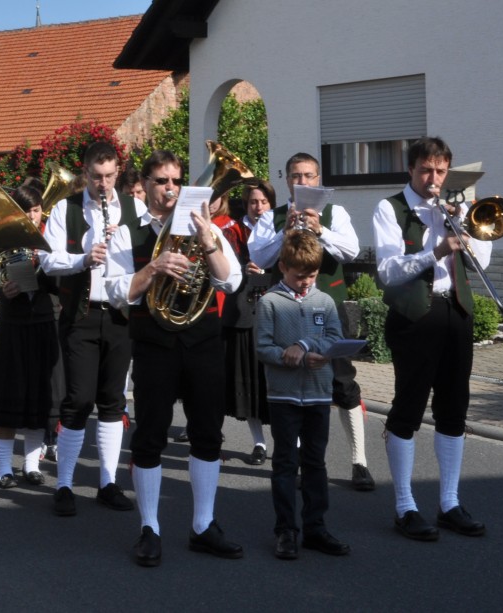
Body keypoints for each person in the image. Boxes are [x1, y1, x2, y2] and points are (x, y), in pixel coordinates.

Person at [107, 149, 243, 567]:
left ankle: (204, 524)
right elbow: (115, 291)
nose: (169, 189)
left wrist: (209, 243)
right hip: (153, 342)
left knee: (207, 433)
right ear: (144, 185)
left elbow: (230, 280)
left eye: (175, 181)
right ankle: (150, 528)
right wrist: (153, 268)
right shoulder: (127, 231)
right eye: (161, 181)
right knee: (150, 434)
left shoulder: (204, 226)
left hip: (201, 340)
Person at [372, 136, 488, 541]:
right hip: (414, 316)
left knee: (454, 409)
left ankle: (450, 503)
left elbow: (483, 261)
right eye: (426, 170)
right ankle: (405, 506)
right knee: (408, 407)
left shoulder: (454, 208)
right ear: (411, 169)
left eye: (440, 171)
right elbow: (387, 271)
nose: (434, 178)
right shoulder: (391, 207)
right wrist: (435, 250)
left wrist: (465, 226)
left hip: (456, 311)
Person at [248, 152, 374, 492]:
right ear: (287, 180)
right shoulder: (273, 217)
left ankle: (359, 461)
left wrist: (321, 230)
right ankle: (301, 462)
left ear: (318, 179)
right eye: (296, 176)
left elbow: (351, 251)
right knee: (292, 382)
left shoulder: (337, 213)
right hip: (287, 310)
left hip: (327, 308)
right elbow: (258, 257)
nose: (302, 182)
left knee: (343, 384)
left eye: (308, 176)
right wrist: (284, 232)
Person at [40, 141, 145, 517]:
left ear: (118, 173)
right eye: (97, 176)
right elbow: (47, 261)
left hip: (119, 314)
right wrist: (84, 257)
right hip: (81, 314)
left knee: (113, 401)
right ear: (85, 173)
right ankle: (65, 484)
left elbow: (148, 257)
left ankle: (107, 482)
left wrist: (124, 243)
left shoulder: (135, 208)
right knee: (79, 399)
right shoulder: (64, 209)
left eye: (110, 176)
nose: (104, 184)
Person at [255, 230, 350, 560]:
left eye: (311, 275)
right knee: (285, 463)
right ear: (283, 267)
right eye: (299, 276)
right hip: (283, 396)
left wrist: (307, 346)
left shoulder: (323, 301)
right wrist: (287, 355)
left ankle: (315, 527)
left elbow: (335, 337)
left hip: (319, 394)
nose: (306, 282)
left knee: (315, 463)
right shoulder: (269, 302)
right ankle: (285, 530)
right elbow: (262, 348)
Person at [0, 184, 59, 488]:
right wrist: (2, 290)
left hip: (43, 322)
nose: (31, 216)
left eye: (36, 210)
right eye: (25, 210)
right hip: (11, 324)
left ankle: (31, 465)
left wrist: (48, 264)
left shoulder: (52, 239)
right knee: (8, 397)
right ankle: (3, 469)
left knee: (39, 398)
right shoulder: (1, 240)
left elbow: (64, 282)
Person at [222, 180, 274, 464]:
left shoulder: (278, 228)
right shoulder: (232, 231)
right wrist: (243, 268)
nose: (259, 207)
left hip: (275, 313)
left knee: (275, 384)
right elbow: (224, 270)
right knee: (251, 384)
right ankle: (259, 444)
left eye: (264, 202)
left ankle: (294, 445)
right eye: (254, 202)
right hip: (243, 313)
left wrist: (268, 268)